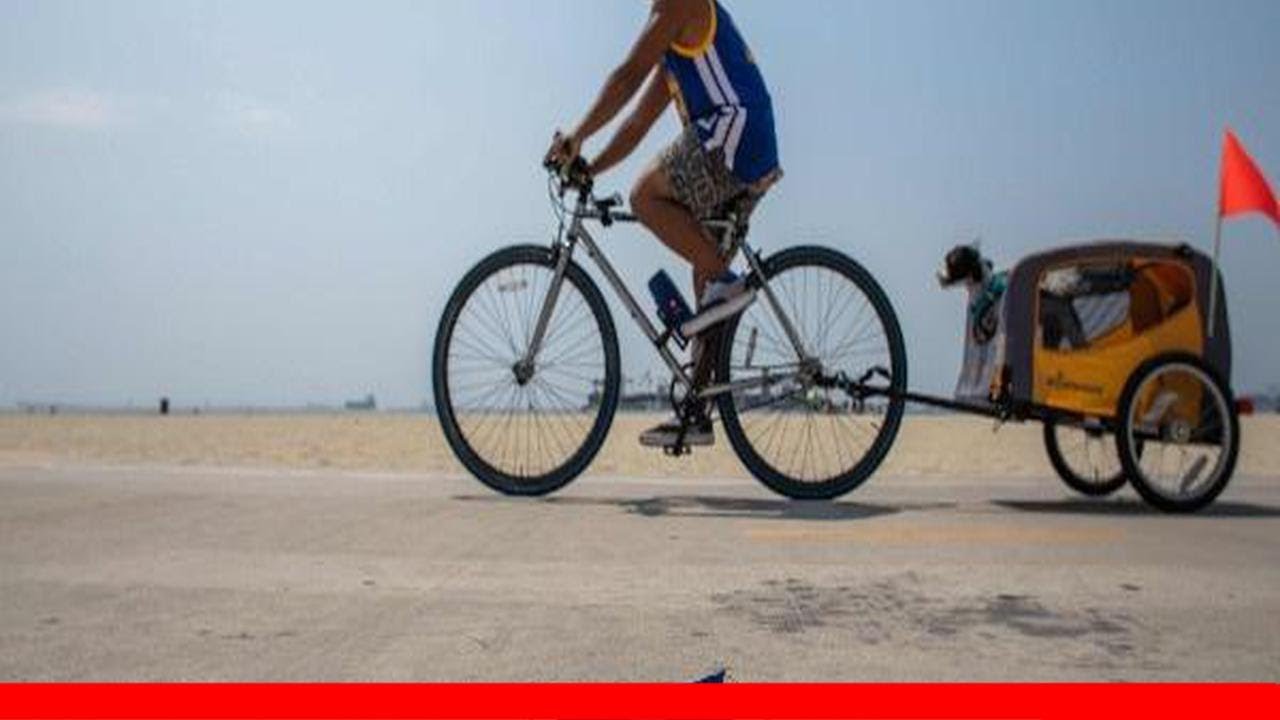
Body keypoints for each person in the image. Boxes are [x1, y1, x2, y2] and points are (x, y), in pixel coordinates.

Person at [544, 0, 781, 448]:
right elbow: (635, 124)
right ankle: (697, 410)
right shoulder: (674, 50)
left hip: (735, 134)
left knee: (645, 196)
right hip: (753, 148)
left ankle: (728, 285)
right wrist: (590, 168)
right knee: (707, 284)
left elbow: (626, 76)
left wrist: (576, 136)